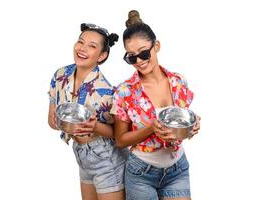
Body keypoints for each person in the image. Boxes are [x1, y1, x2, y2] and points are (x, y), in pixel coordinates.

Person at [112, 10, 201, 200]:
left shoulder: (178, 82)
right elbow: (120, 140)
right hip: (141, 174)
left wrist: (192, 127)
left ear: (156, 46)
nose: (140, 61)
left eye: (144, 53)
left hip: (177, 169)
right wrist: (151, 128)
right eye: (131, 57)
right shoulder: (124, 92)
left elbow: (180, 123)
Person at [48, 23, 127, 200]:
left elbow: (120, 136)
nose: (82, 49)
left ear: (102, 55)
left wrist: (95, 127)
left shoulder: (107, 92)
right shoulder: (60, 76)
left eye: (92, 46)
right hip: (81, 153)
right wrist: (60, 122)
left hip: (107, 157)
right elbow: (52, 122)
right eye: (80, 42)